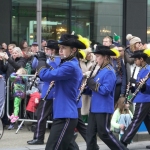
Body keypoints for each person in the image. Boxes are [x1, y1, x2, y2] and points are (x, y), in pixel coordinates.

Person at [36, 33, 89, 150]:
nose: (60, 51)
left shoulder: (70, 66)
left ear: (73, 49)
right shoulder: (66, 63)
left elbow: (44, 74)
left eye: (64, 48)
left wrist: (41, 60)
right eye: (59, 48)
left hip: (66, 115)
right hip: (63, 114)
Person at [84, 45, 128, 150]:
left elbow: (105, 90)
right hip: (94, 107)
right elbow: (94, 90)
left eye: (98, 56)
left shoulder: (109, 71)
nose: (96, 59)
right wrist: (85, 89)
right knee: (90, 134)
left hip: (103, 107)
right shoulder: (100, 70)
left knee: (104, 133)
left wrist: (93, 84)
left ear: (105, 57)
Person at [27, 40, 60, 145]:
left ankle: (39, 137)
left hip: (50, 92)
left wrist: (43, 66)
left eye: (48, 49)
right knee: (43, 115)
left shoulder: (56, 60)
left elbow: (48, 74)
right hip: (48, 90)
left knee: (41, 115)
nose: (46, 51)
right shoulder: (51, 59)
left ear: (53, 50)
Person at [120, 49, 150, 148]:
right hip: (143, 97)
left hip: (145, 99)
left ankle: (124, 141)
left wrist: (139, 84)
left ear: (141, 59)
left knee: (136, 120)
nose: (135, 62)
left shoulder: (148, 69)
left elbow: (147, 87)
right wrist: (133, 87)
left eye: (136, 60)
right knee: (148, 121)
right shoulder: (142, 69)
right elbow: (139, 86)